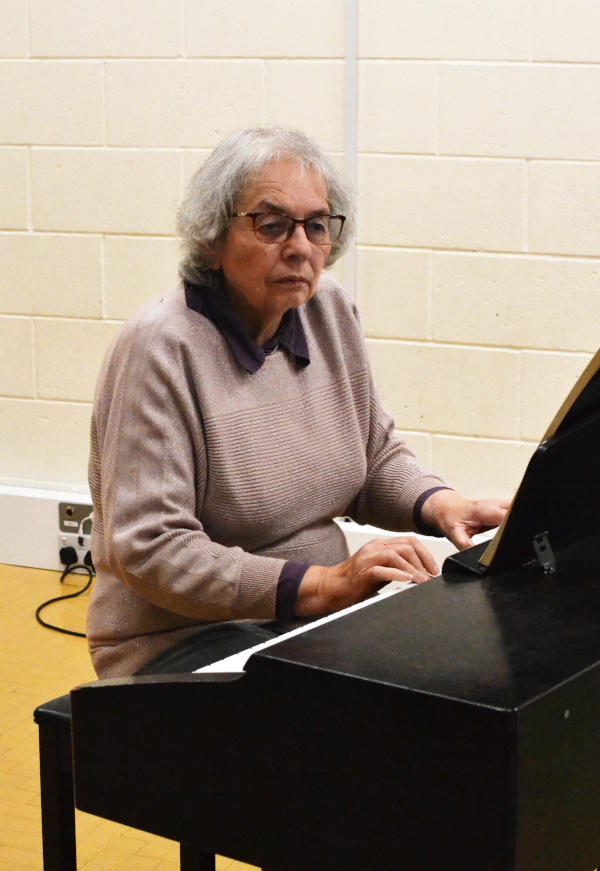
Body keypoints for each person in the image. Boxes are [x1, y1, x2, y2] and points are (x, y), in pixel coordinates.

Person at [87, 126, 507, 678]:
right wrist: (323, 585)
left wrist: (440, 504)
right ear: (211, 238)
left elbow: (371, 456)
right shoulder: (159, 348)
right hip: (182, 637)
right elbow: (152, 549)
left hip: (306, 615)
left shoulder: (327, 310)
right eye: (272, 224)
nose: (301, 247)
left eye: (317, 226)